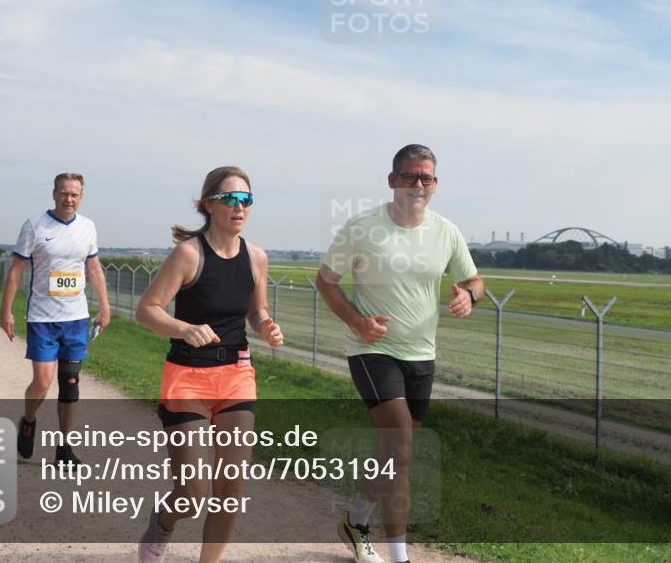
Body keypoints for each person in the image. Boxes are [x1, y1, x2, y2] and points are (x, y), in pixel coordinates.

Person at [316, 145, 483, 563]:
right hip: (373, 351)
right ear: (392, 180)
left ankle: (355, 521)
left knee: (393, 454)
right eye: (409, 176)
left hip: (421, 354)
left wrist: (469, 297)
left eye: (426, 178)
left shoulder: (446, 231)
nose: (418, 185)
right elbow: (326, 280)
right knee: (402, 447)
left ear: (436, 184)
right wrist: (357, 321)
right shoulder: (362, 228)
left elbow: (475, 280)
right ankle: (399, 557)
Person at [134, 166, 283, 563]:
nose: (240, 207)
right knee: (193, 489)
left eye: (246, 200)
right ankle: (163, 523)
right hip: (187, 379)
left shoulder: (256, 257)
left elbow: (257, 309)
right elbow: (147, 311)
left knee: (231, 486)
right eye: (230, 199)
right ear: (208, 205)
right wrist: (184, 328)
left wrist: (266, 324)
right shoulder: (189, 254)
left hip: (236, 377)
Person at [0, 173, 111, 465]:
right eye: (64, 193)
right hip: (42, 318)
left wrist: (105, 307)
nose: (69, 199)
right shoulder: (35, 225)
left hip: (76, 318)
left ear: (82, 196)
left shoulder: (88, 227)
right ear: (54, 194)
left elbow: (95, 269)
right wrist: (6, 310)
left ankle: (64, 448)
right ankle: (29, 419)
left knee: (70, 382)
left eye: (74, 194)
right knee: (43, 381)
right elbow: (15, 271)